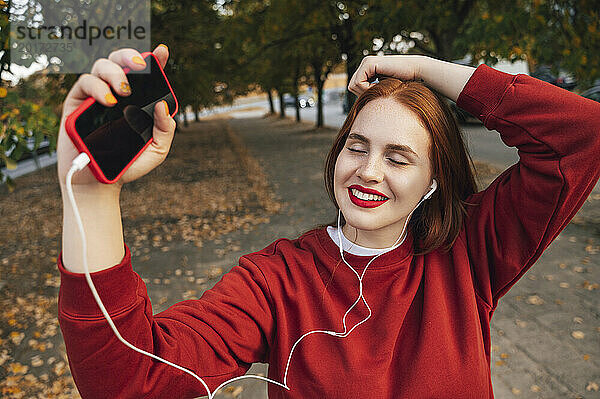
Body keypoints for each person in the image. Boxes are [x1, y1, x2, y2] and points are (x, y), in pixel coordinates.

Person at [56, 45, 600, 398]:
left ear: (434, 180)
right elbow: (129, 380)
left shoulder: (471, 252)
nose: (367, 172)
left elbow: (580, 134)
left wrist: (422, 69)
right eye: (356, 147)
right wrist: (90, 194)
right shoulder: (277, 280)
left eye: (399, 157)